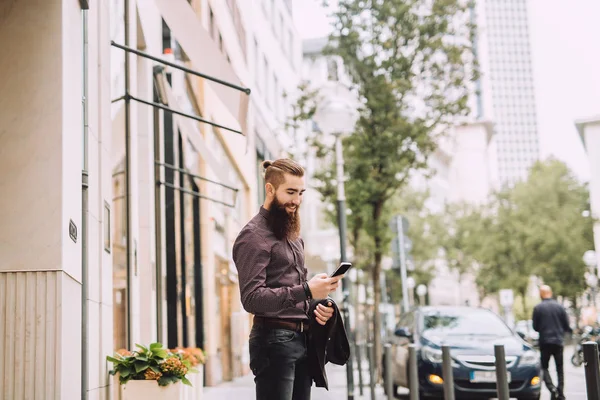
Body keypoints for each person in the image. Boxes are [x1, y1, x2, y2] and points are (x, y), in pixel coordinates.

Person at [232, 158, 344, 400]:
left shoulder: (293, 235)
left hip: (302, 339)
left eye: (301, 192)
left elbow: (296, 292)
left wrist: (317, 304)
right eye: (291, 192)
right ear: (270, 189)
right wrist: (306, 290)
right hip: (273, 343)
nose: (297, 200)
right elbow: (251, 300)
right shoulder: (253, 236)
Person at [532, 285, 572, 400]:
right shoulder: (560, 307)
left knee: (544, 367)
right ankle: (561, 393)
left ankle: (551, 388)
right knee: (560, 368)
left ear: (541, 294)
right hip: (558, 342)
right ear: (550, 293)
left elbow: (535, 327)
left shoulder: (538, 308)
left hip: (545, 342)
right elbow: (566, 326)